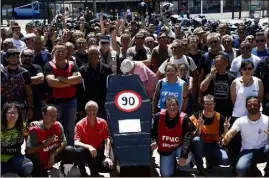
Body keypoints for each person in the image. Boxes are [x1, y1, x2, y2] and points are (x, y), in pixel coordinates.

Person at [229, 60, 264, 173]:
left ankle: (252, 166)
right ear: (241, 70)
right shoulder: (235, 82)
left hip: (255, 117)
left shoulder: (258, 82)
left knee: (253, 143)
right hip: (239, 116)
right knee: (236, 144)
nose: (247, 71)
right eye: (245, 69)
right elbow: (233, 100)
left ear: (253, 69)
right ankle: (236, 167)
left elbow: (260, 100)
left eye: (250, 68)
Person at [45, 44, 82, 145]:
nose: (60, 53)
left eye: (63, 51)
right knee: (54, 127)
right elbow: (52, 83)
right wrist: (70, 82)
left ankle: (69, 151)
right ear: (54, 52)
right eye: (58, 51)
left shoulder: (72, 64)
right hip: (55, 103)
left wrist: (61, 79)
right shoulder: (49, 65)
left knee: (70, 129)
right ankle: (54, 150)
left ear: (66, 52)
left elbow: (78, 79)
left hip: (71, 102)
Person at [222, 96, 268, 177]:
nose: (252, 107)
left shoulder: (267, 120)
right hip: (247, 151)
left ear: (259, 105)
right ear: (246, 106)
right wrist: (226, 130)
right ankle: (252, 168)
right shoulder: (240, 121)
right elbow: (226, 140)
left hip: (263, 150)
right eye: (250, 105)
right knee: (240, 171)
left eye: (255, 104)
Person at [26, 104, 76, 177]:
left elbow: (64, 142)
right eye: (50, 115)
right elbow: (29, 150)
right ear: (43, 115)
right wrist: (45, 144)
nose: (53, 118)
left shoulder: (58, 125)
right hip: (39, 159)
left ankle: (64, 173)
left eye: (55, 115)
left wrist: (53, 154)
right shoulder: (35, 128)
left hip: (52, 155)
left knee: (70, 150)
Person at [151, 96, 193, 177]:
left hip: (179, 148)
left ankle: (182, 166)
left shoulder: (184, 118)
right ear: (165, 107)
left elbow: (188, 138)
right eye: (169, 105)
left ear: (178, 105)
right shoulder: (158, 116)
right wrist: (154, 142)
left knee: (186, 158)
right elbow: (153, 131)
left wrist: (184, 155)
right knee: (166, 175)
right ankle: (173, 163)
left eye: (174, 105)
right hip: (166, 149)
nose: (172, 107)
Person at [190, 95, 230, 176]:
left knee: (225, 160)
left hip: (213, 145)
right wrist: (199, 127)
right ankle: (199, 168)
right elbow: (193, 137)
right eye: (206, 104)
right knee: (197, 140)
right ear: (203, 105)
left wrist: (226, 129)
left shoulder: (220, 117)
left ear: (214, 104)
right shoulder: (195, 117)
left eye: (211, 104)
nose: (209, 106)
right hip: (199, 146)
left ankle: (210, 161)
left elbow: (225, 140)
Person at [74, 101, 113, 177]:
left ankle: (94, 171)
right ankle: (83, 173)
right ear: (86, 111)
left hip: (97, 152)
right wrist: (89, 146)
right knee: (78, 151)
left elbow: (107, 139)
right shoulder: (79, 124)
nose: (92, 112)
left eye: (94, 109)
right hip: (85, 151)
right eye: (89, 110)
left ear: (97, 111)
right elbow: (76, 142)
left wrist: (107, 157)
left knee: (108, 167)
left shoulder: (103, 122)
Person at [77, 46, 112, 120]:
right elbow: (79, 89)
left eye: (95, 53)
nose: (93, 56)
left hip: (103, 104)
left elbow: (111, 87)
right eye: (91, 54)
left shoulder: (107, 69)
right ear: (88, 55)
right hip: (88, 104)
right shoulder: (82, 70)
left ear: (99, 55)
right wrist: (80, 108)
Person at [1, 103, 33, 177]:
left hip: (15, 158)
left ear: (19, 115)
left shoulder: (22, 126)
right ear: (4, 114)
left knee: (28, 166)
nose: (12, 115)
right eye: (9, 113)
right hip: (1, 159)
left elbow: (28, 140)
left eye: (15, 113)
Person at [1, 48, 33, 121]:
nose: (14, 58)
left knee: (21, 129)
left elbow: (29, 92)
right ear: (6, 58)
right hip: (4, 106)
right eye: (12, 57)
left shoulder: (25, 72)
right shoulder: (2, 72)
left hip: (21, 106)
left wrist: (30, 107)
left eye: (16, 57)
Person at [20, 48, 44, 122]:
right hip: (20, 100)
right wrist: (34, 80)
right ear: (21, 57)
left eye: (30, 56)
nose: (28, 58)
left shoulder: (37, 67)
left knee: (34, 124)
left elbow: (41, 78)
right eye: (26, 55)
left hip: (36, 101)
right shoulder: (17, 68)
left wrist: (22, 80)